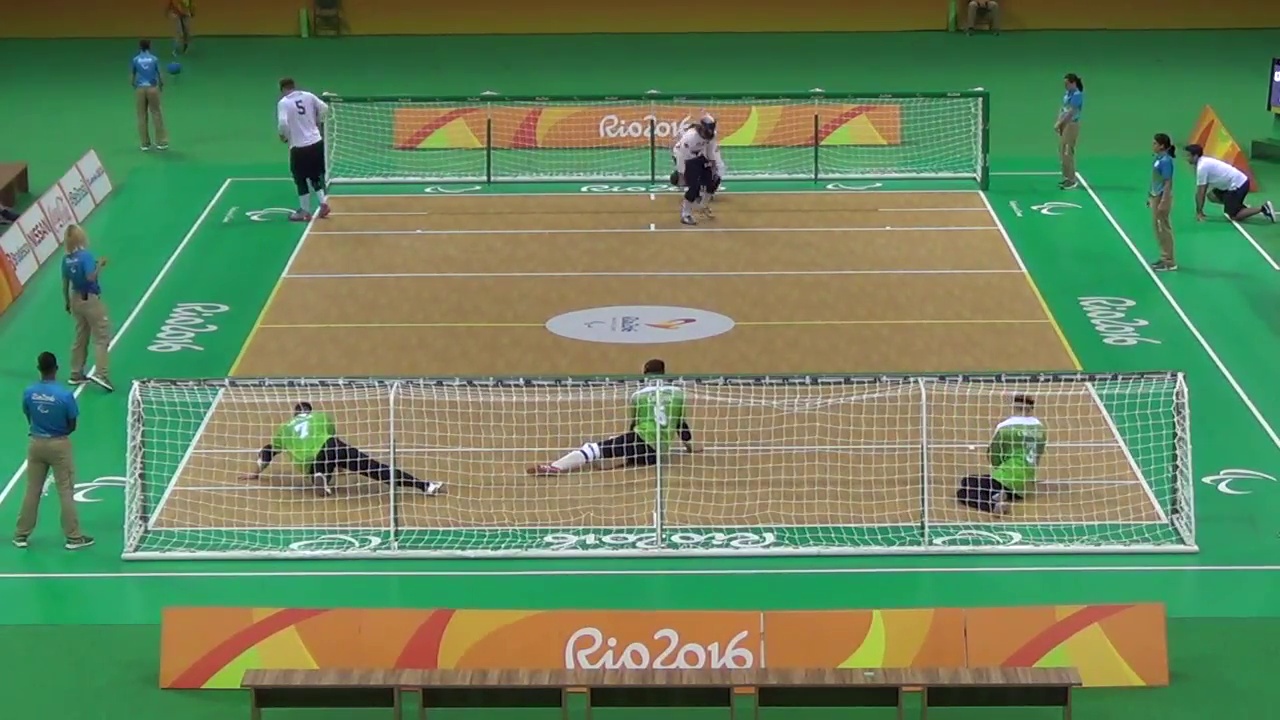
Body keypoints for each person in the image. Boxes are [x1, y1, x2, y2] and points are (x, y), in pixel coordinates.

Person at [527, 359, 699, 475]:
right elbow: (681, 425)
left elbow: (634, 425)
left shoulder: (639, 396)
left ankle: (556, 467)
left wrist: (627, 440)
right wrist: (690, 448)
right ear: (664, 372)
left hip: (643, 441)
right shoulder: (678, 393)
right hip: (658, 453)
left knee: (592, 448)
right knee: (618, 443)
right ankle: (620, 457)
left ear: (645, 373)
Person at [240, 402, 443, 497]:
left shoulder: (284, 428)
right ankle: (425, 486)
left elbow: (266, 452)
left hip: (308, 462)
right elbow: (331, 438)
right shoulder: (321, 417)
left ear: (294, 415)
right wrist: (342, 465)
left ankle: (321, 476)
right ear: (310, 411)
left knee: (318, 466)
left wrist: (255, 473)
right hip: (331, 447)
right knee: (376, 468)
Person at [14, 352, 94, 550]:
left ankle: (21, 535)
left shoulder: (29, 391)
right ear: (56, 369)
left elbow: (28, 415)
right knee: (65, 490)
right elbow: (72, 424)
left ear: (39, 369)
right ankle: (73, 537)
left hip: (35, 443)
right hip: (58, 445)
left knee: (32, 490)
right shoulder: (64, 395)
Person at [955, 394, 1046, 516]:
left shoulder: (1005, 426)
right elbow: (1039, 453)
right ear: (1031, 408)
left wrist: (999, 469)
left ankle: (993, 505)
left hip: (1007, 476)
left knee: (964, 489)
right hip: (1026, 484)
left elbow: (994, 455)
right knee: (972, 481)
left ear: (1013, 406)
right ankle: (1000, 493)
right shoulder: (1040, 427)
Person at [61, 225, 113, 392]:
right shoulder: (85, 256)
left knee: (81, 336)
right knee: (102, 335)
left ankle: (76, 372)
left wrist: (67, 302)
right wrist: (100, 265)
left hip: (75, 298)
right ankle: (101, 373)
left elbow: (65, 284)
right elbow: (90, 277)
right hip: (90, 299)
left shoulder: (66, 259)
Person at [277, 78, 331, 222]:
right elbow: (324, 108)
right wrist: (317, 122)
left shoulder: (284, 102)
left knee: (300, 179)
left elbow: (283, 123)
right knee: (315, 176)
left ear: (282, 89)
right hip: (316, 142)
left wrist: (284, 135)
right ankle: (323, 204)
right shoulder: (308, 95)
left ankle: (304, 211)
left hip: (299, 146)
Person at [1183, 143, 1275, 225]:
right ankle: (1238, 206)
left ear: (1195, 156)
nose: (1186, 158)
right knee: (1212, 196)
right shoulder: (1203, 162)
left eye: (1188, 156)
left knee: (1234, 216)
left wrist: (1199, 212)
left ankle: (1263, 208)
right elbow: (1204, 188)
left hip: (1239, 185)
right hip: (1229, 185)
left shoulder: (1202, 167)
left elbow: (1201, 192)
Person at [671, 114, 725, 226]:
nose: (709, 133)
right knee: (694, 187)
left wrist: (713, 165)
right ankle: (685, 215)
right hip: (685, 156)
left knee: (714, 179)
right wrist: (682, 173)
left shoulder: (711, 135)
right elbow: (682, 155)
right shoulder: (690, 137)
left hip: (698, 155)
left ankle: (703, 206)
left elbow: (710, 150)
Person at [131, 39, 168, 151]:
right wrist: (161, 85)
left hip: (140, 88)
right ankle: (161, 142)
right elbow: (159, 73)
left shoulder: (136, 59)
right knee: (156, 114)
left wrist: (134, 85)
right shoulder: (154, 59)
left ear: (140, 47)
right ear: (149, 46)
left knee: (142, 115)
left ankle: (145, 143)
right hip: (152, 88)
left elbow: (133, 75)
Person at [1149, 133, 1178, 272]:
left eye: (1155, 143)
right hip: (1156, 196)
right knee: (1158, 228)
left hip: (1162, 197)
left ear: (1162, 146)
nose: (1153, 145)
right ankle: (1164, 256)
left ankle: (1169, 262)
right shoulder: (1158, 158)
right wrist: (1150, 195)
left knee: (1164, 228)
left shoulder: (1166, 161)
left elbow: (1168, 182)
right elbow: (1156, 179)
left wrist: (1164, 201)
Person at [1054, 73, 1084, 190]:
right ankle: (1067, 177)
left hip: (1071, 125)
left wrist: (1060, 123)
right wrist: (1059, 122)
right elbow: (1063, 109)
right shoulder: (1068, 94)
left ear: (1073, 83)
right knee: (1062, 151)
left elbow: (1071, 112)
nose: (1065, 86)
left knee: (1068, 152)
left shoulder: (1077, 95)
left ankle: (1072, 180)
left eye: (1067, 84)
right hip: (1064, 125)